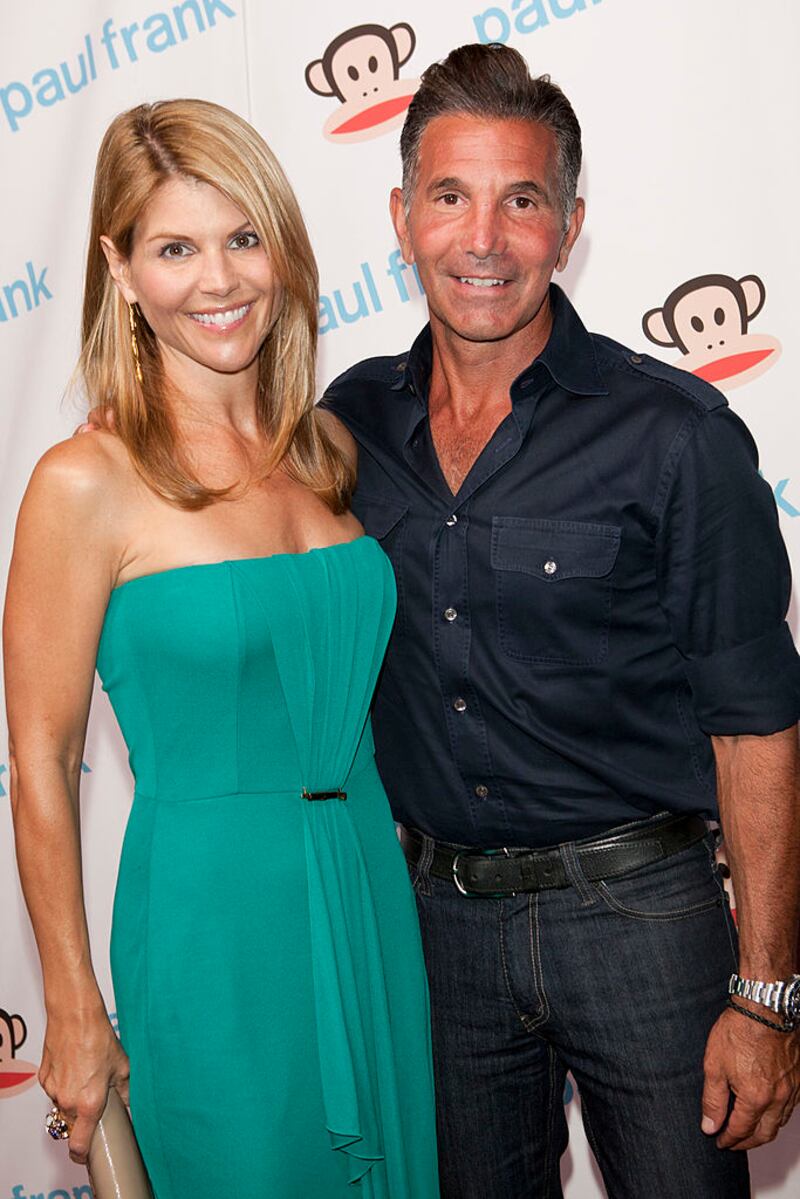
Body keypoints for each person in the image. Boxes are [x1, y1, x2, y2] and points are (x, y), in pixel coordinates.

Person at [321, 43, 800, 1199]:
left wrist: (766, 993)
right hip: (435, 929)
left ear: (568, 225)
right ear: (400, 216)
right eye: (449, 196)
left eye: (521, 201)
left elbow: (756, 727)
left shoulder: (674, 434)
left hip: (640, 918)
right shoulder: (349, 423)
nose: (482, 238)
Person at [3, 99, 439, 1198]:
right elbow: (43, 757)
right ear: (119, 268)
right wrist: (70, 1000)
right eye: (175, 248)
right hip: (211, 917)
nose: (218, 279)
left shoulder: (327, 447)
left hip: (364, 891)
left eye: (243, 237)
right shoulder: (83, 481)